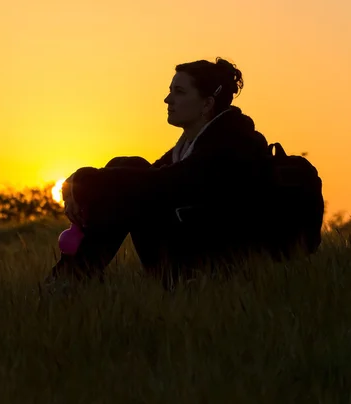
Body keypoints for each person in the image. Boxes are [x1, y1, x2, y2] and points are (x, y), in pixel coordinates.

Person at [43, 57, 273, 291]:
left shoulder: (231, 144)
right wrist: (82, 186)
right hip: (188, 256)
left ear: (206, 104)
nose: (168, 99)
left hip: (213, 271)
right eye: (170, 90)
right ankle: (70, 278)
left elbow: (165, 184)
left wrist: (81, 180)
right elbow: (146, 177)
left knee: (130, 179)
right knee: (127, 166)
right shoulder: (190, 145)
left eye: (179, 92)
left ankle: (69, 279)